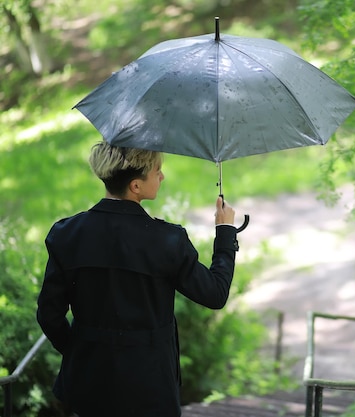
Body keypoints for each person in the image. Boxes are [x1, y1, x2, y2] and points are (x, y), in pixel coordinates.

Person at [36, 141, 239, 417]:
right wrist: (225, 231)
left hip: (87, 387)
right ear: (135, 186)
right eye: (157, 170)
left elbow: (49, 316)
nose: (162, 176)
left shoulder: (66, 234)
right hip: (150, 390)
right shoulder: (167, 240)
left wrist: (82, 351)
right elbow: (215, 294)